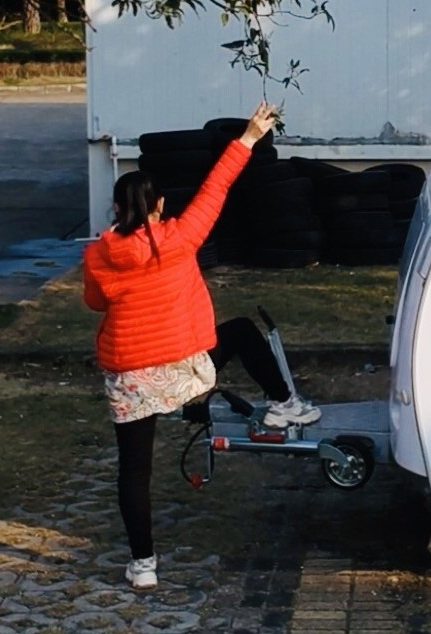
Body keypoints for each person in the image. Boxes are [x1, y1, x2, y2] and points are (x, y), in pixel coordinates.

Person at [82, 101, 322, 590]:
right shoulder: (181, 237)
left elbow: (94, 303)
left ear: (116, 209)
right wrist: (249, 136)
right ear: (160, 205)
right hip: (183, 371)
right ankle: (284, 403)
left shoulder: (98, 255)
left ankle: (143, 566)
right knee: (240, 331)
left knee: (134, 471)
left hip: (131, 377)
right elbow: (216, 187)